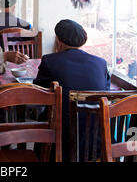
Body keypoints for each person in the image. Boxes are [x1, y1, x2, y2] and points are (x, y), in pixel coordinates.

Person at [33, 19, 111, 162]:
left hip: (61, 141)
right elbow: (105, 92)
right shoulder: (101, 63)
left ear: (58, 41)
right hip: (96, 140)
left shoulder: (50, 61)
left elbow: (39, 94)